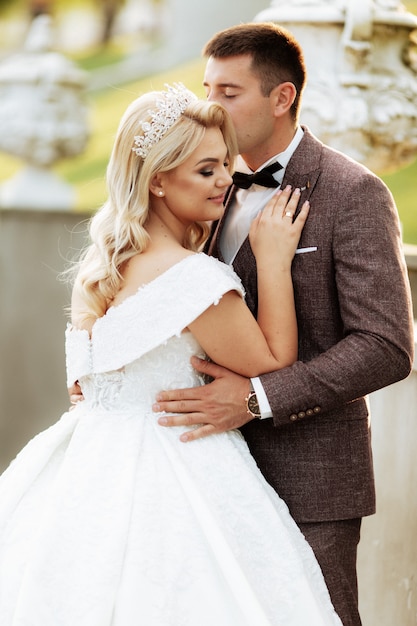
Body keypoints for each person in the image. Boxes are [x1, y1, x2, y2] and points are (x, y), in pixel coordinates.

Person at [0, 84, 343, 625]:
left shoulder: (99, 267)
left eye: (225, 165)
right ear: (158, 179)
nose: (226, 181)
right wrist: (272, 261)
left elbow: (82, 385)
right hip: (178, 462)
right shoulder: (192, 278)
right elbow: (276, 365)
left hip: (86, 469)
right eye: (206, 170)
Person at [146, 23, 415, 626]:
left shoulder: (353, 193)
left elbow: (386, 346)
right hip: (203, 467)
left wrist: (257, 398)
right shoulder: (200, 189)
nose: (208, 106)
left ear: (282, 97)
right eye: (206, 87)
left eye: (229, 92)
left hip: (310, 477)